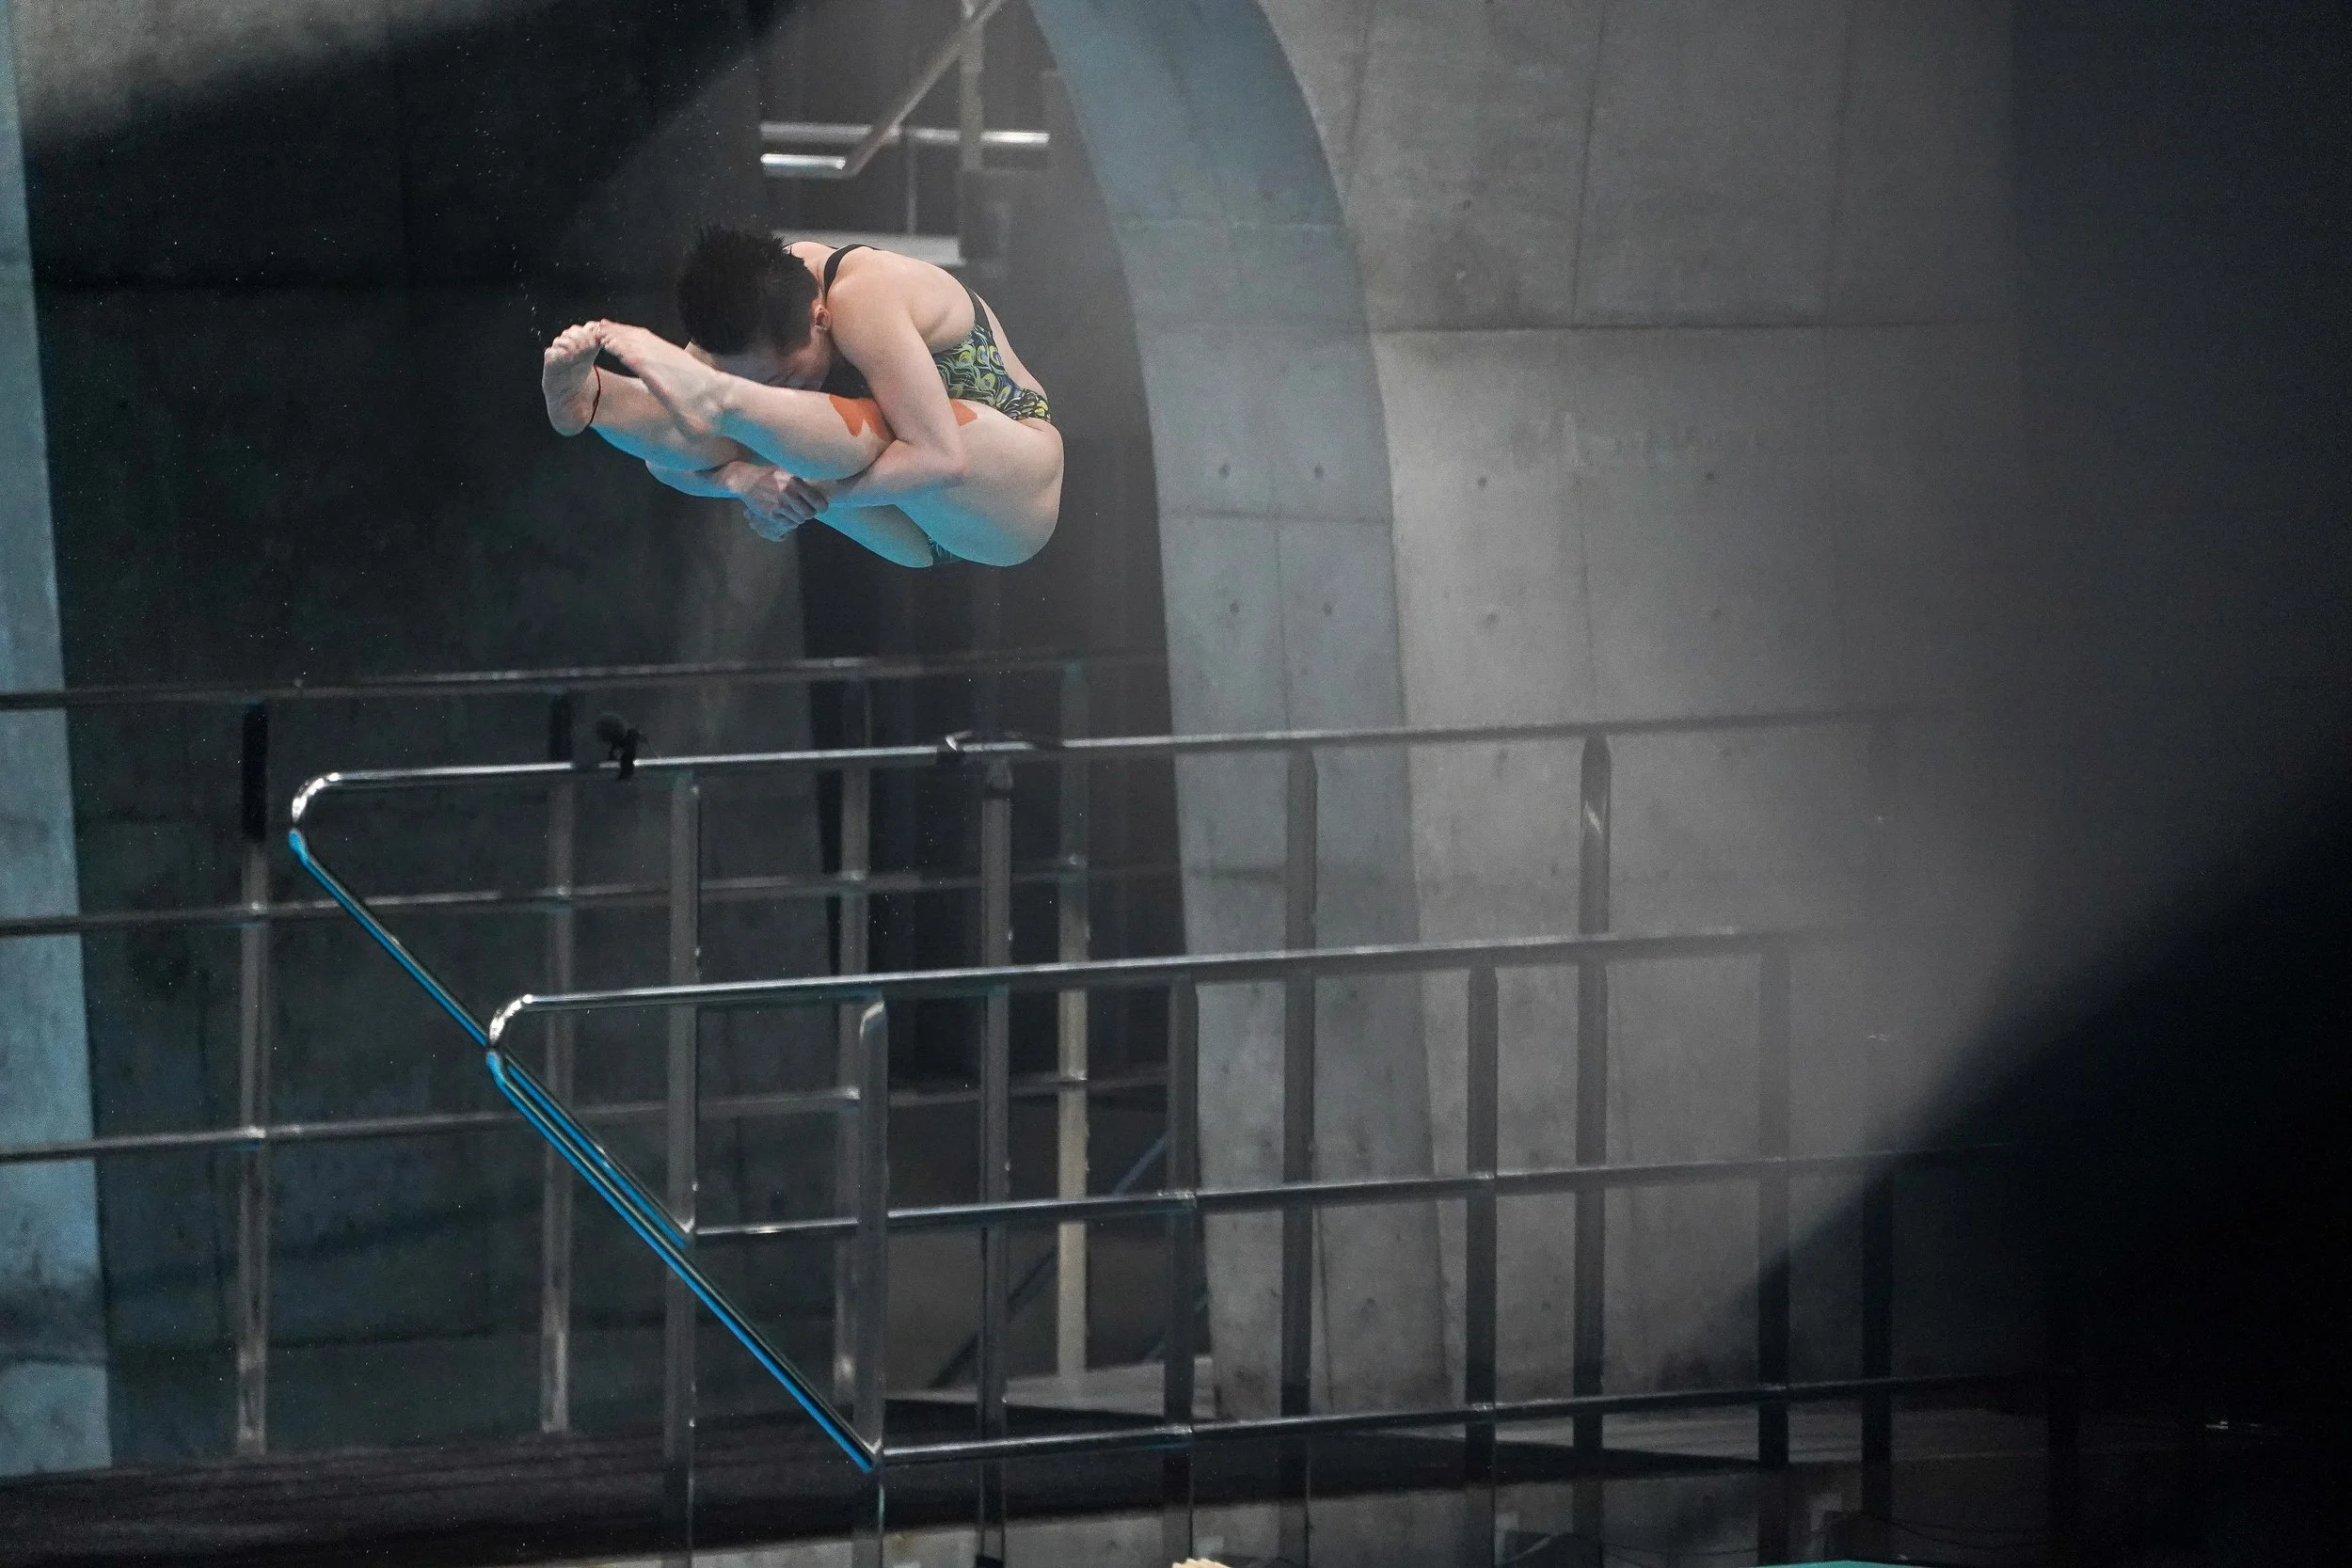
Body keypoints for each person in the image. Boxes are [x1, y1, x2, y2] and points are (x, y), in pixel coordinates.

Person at [539, 226, 1061, 567]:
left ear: (820, 318)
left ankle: (729, 401)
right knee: (745, 435)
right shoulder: (743, 321)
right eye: (762, 382)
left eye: (787, 376)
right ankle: (596, 399)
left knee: (823, 426)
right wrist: (749, 483)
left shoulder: (861, 294)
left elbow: (941, 458)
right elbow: (667, 461)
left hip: (1007, 487)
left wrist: (807, 497)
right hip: (906, 530)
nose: (784, 392)